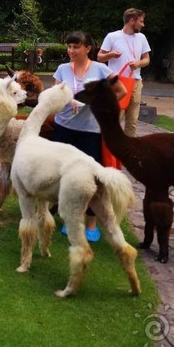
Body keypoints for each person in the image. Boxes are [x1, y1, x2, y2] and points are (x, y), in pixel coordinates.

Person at [52, 31, 127, 242]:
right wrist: (67, 101)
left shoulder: (102, 69)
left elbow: (121, 91)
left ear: (88, 48)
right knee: (65, 175)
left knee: (91, 178)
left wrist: (97, 104)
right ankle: (69, 219)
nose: (71, 51)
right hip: (63, 127)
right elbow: (56, 94)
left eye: (76, 47)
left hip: (90, 131)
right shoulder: (62, 69)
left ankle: (91, 223)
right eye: (69, 47)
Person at [98, 8, 152, 137]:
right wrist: (111, 54)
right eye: (141, 21)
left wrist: (138, 63)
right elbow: (100, 57)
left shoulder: (142, 38)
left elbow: (147, 59)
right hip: (117, 83)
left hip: (136, 82)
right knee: (116, 117)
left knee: (132, 121)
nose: (143, 25)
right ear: (132, 21)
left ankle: (128, 151)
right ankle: (109, 151)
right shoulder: (112, 36)